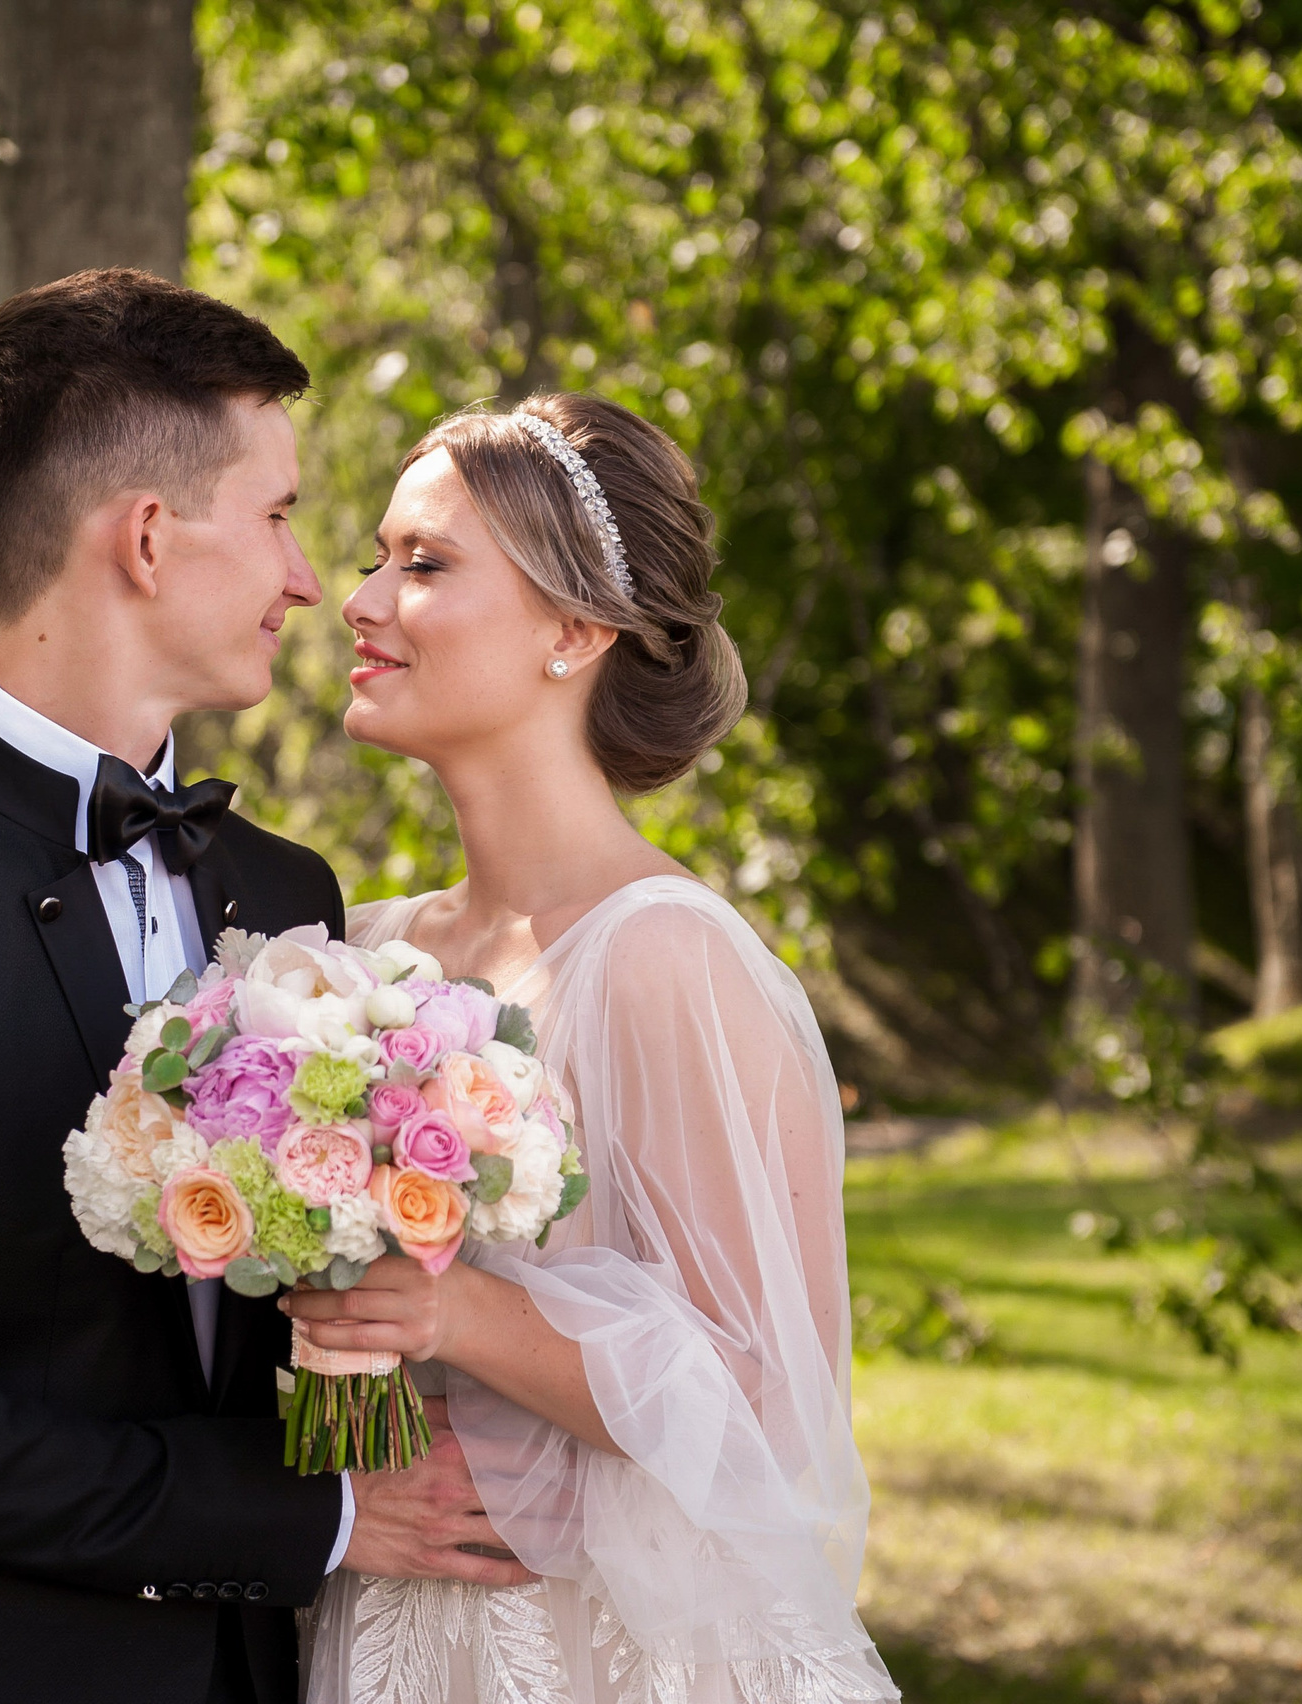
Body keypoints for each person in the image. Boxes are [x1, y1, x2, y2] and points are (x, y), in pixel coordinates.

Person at [0, 269, 528, 1704]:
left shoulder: (288, 896)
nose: (304, 578)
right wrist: (312, 1519)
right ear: (147, 539)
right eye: (275, 515)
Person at [285, 393, 899, 1703]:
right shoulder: (367, 953)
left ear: (576, 631)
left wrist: (458, 1311)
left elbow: (764, 1404)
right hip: (390, 1632)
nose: (363, 600)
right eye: (374, 557)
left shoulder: (664, 956)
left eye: (427, 563)